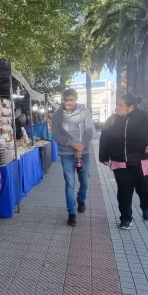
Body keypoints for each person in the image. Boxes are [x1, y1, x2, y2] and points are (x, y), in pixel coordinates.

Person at [98, 93, 148, 230]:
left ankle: (146, 206)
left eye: (120, 105)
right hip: (120, 162)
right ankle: (126, 218)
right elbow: (105, 137)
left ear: (130, 107)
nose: (117, 107)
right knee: (124, 192)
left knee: (147, 190)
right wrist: (103, 155)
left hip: (143, 162)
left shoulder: (147, 117)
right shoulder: (113, 119)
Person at [51, 88, 94, 226]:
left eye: (71, 100)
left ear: (75, 99)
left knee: (85, 182)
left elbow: (89, 131)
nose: (68, 103)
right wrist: (73, 144)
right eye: (65, 100)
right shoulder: (57, 114)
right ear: (62, 99)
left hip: (84, 153)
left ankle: (81, 199)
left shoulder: (84, 112)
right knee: (70, 183)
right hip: (66, 154)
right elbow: (56, 135)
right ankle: (72, 212)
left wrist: (81, 146)